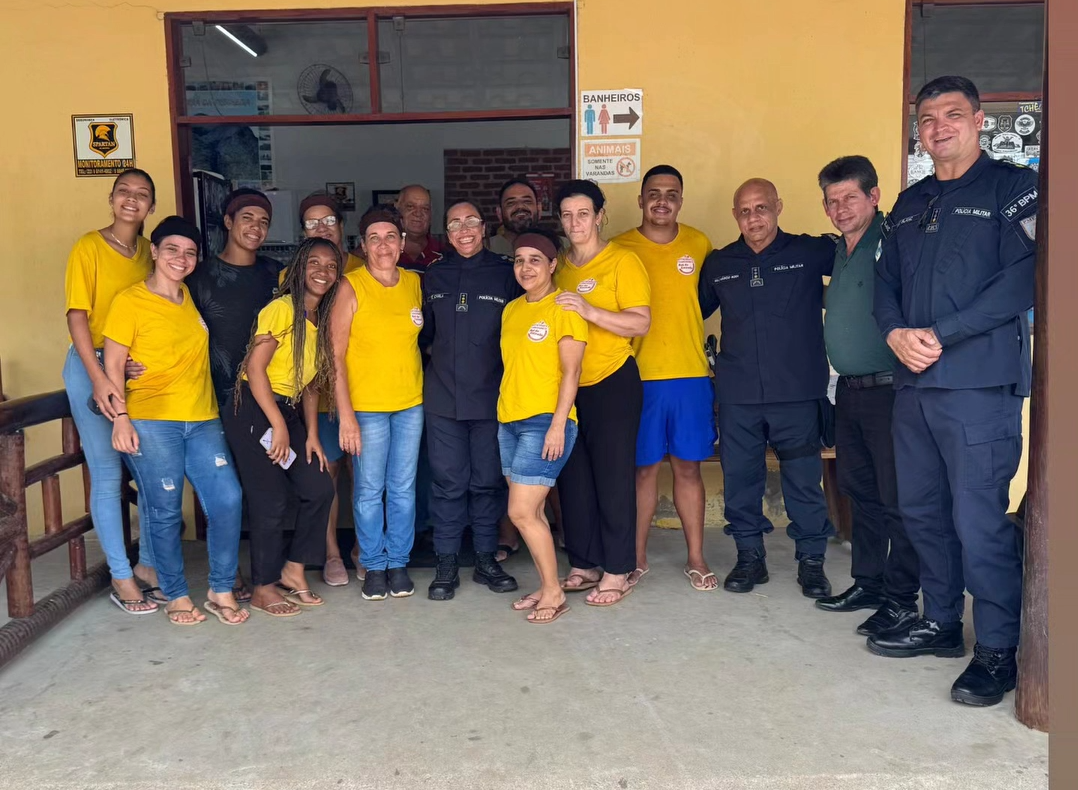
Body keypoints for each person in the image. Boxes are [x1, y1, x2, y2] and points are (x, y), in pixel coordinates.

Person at [868, 76, 1036, 708]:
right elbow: (883, 285)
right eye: (927, 117)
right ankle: (941, 624)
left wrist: (940, 332)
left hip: (977, 387)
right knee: (922, 513)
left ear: (979, 120)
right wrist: (893, 334)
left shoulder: (1014, 189)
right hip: (913, 385)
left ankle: (997, 648)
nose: (938, 126)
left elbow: (1024, 279)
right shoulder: (911, 204)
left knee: (977, 521)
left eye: (952, 114)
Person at [103, 216, 247, 627]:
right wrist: (121, 418)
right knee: (164, 510)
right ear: (154, 251)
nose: (181, 259)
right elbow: (113, 364)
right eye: (172, 250)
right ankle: (177, 596)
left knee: (227, 500)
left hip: (202, 418)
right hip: (151, 420)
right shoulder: (129, 301)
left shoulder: (189, 299)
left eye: (189, 252)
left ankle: (220, 589)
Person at [698, 178, 836, 600]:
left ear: (778, 206)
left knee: (803, 481)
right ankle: (749, 557)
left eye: (761, 208)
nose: (753, 217)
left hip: (797, 392)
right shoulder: (720, 262)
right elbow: (691, 312)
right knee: (741, 479)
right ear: (735, 216)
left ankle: (811, 562)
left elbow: (861, 266)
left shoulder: (811, 252)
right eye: (744, 210)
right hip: (738, 395)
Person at [814, 156, 920, 636]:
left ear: (874, 197)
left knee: (898, 498)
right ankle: (869, 583)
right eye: (832, 201)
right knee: (863, 494)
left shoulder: (894, 240)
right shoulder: (839, 250)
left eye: (849, 198)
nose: (840, 208)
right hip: (850, 391)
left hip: (891, 388)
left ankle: (902, 598)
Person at [222, 238, 340, 617]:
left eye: (331, 265)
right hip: (254, 408)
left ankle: (293, 569)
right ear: (299, 269)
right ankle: (262, 587)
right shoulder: (282, 309)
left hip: (287, 411)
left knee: (319, 486)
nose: (323, 271)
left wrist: (312, 437)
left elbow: (309, 387)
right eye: (314, 263)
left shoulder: (319, 322)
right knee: (269, 498)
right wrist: (278, 424)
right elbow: (256, 370)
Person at [613, 165, 717, 591]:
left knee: (689, 469)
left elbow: (705, 303)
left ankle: (696, 557)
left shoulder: (699, 243)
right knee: (642, 472)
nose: (662, 201)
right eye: (653, 193)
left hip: (691, 375)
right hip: (638, 376)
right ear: (640, 200)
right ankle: (636, 559)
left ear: (681, 199)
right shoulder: (619, 247)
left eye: (671, 194)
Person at [62, 168, 161, 614]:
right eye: (124, 192)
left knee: (151, 471)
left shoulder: (149, 252)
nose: (132, 200)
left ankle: (150, 567)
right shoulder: (89, 246)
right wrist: (101, 376)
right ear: (111, 197)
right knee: (107, 472)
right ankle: (122, 576)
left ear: (151, 207)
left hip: (135, 370)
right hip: (92, 364)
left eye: (142, 195)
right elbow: (78, 316)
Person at [553, 179, 651, 607]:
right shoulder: (557, 266)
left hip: (612, 381)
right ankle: (585, 562)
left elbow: (640, 323)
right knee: (574, 479)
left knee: (613, 478)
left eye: (583, 213)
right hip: (566, 387)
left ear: (600, 216)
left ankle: (617, 569)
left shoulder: (622, 262)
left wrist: (589, 311)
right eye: (567, 214)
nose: (575, 222)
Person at [421, 201, 523, 601]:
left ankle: (485, 559)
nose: (464, 230)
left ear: (484, 228)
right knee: (447, 483)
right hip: (443, 398)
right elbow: (424, 337)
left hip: (492, 398)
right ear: (447, 233)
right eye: (454, 224)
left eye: (471, 222)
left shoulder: (506, 274)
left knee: (486, 482)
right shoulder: (434, 276)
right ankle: (446, 563)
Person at [186, 187, 283, 601]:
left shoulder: (276, 275)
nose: (255, 227)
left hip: (265, 398)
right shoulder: (197, 276)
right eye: (247, 218)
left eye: (263, 221)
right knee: (225, 490)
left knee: (264, 488)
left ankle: (262, 573)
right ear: (228, 222)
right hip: (212, 397)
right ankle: (230, 573)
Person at [331, 207, 426, 601]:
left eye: (391, 236)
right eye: (375, 237)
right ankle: (373, 563)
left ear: (403, 243)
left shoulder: (415, 284)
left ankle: (398, 562)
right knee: (369, 489)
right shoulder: (349, 287)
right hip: (366, 407)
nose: (384, 244)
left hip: (410, 403)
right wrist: (346, 416)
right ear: (363, 245)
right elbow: (334, 356)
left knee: (403, 488)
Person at [499, 229, 587, 623]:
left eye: (536, 259)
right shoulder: (512, 310)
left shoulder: (564, 307)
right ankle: (546, 583)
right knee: (530, 514)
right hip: (510, 421)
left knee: (520, 512)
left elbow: (572, 372)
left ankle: (555, 591)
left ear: (553, 265)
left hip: (545, 423)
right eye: (519, 260)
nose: (526, 267)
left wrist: (557, 425)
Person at [295, 191, 363, 587]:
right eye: (311, 222)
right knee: (329, 471)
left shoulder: (362, 268)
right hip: (316, 394)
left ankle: (360, 548)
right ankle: (332, 553)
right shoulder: (291, 276)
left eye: (328, 221)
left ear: (342, 225)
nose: (321, 228)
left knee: (363, 470)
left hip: (361, 391)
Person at [396, 185, 444, 274]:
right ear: (397, 209)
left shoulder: (444, 254)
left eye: (425, 209)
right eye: (410, 206)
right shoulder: (383, 252)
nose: (418, 214)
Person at [489, 177, 541, 257]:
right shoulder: (485, 250)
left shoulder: (561, 247)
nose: (520, 206)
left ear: (539, 209)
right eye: (511, 203)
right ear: (499, 213)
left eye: (527, 201)